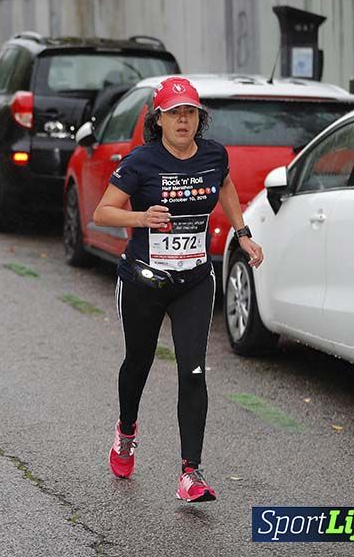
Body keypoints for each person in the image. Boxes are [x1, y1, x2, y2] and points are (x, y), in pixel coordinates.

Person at [93, 76, 264, 503]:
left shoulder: (213, 156)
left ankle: (191, 473)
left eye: (190, 113)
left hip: (193, 280)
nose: (183, 120)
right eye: (174, 113)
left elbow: (223, 186)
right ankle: (126, 431)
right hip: (143, 281)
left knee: (193, 370)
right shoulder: (140, 162)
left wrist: (242, 233)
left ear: (198, 118)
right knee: (139, 363)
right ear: (160, 120)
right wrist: (140, 219)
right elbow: (102, 212)